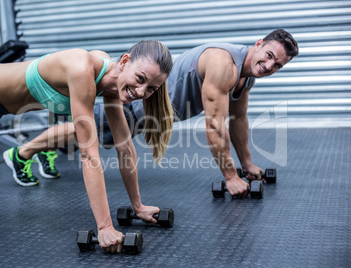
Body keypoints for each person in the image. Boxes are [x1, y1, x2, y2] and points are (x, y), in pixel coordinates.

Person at [0, 40, 174, 253]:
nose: (142, 92)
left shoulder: (113, 84)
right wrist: (105, 227)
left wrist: (138, 206)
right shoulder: (82, 69)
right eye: (141, 78)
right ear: (124, 61)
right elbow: (88, 155)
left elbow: (124, 148)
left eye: (152, 89)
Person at [31, 29, 298, 198]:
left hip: (153, 114)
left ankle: (45, 149)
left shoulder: (247, 77)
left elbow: (238, 120)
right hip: (139, 102)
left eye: (278, 65)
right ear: (259, 43)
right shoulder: (223, 63)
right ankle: (23, 153)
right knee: (87, 130)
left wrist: (247, 165)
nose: (270, 65)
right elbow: (215, 125)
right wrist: (230, 176)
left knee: (100, 137)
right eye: (270, 55)